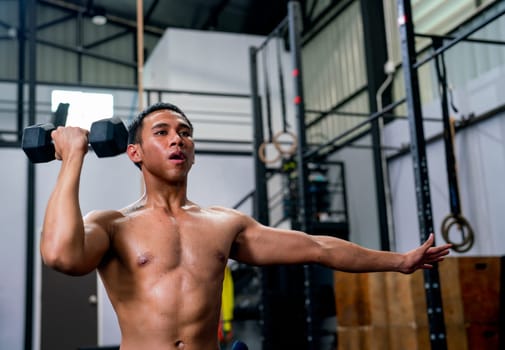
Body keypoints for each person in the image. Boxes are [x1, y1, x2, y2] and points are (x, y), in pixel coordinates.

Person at [40, 102, 451, 350]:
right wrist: (73, 158)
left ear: (194, 151)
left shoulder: (224, 224)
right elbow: (60, 255)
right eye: (161, 133)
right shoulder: (113, 226)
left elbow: (317, 248)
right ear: (134, 152)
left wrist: (399, 261)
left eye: (185, 133)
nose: (176, 140)